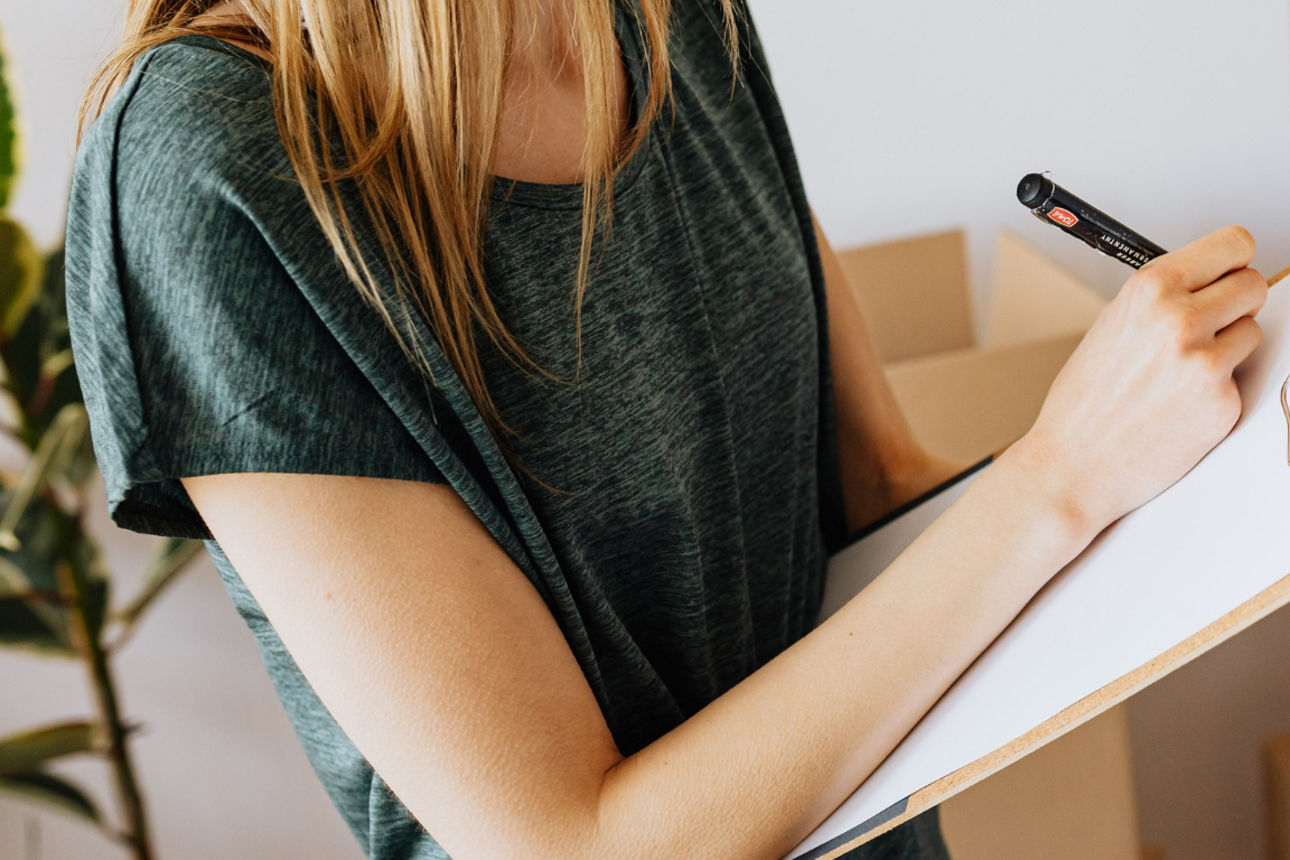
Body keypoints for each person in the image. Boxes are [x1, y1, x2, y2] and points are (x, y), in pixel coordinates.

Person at [63, 0, 1268, 857]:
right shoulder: (206, 164)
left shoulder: (672, 20)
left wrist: (1206, 468)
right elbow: (575, 843)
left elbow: (888, 488)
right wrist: (1062, 474)